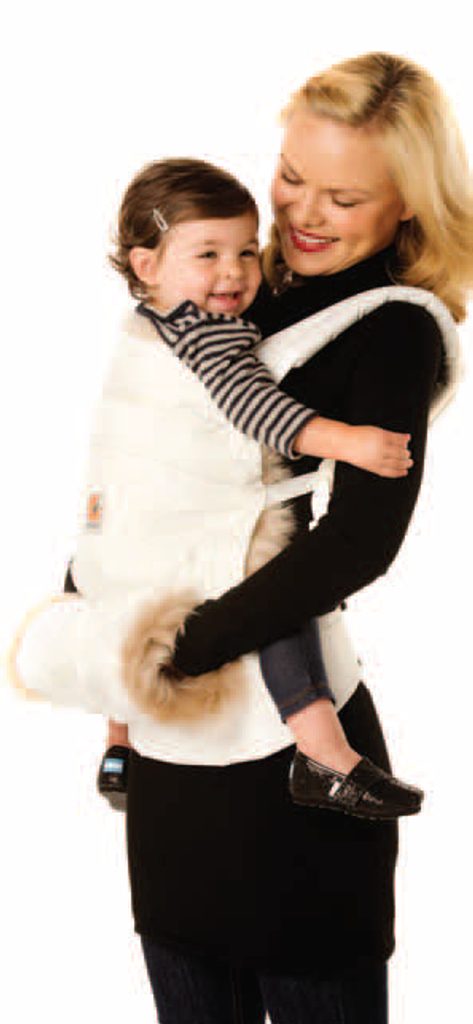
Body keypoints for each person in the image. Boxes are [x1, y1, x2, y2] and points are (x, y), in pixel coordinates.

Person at [118, 52, 470, 1022]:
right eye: (291, 177)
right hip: (176, 753)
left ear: (408, 203)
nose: (303, 214)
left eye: (343, 198)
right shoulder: (235, 285)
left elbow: (357, 543)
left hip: (293, 759)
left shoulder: (391, 329)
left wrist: (179, 646)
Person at [11, 159, 422, 819]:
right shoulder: (203, 333)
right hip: (172, 508)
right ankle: (322, 749)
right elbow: (249, 405)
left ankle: (118, 743)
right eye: (208, 255)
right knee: (272, 596)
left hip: (121, 519)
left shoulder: (156, 316)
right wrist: (345, 441)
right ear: (147, 265)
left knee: (104, 587)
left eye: (246, 251)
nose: (233, 272)